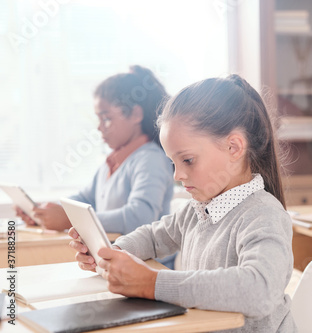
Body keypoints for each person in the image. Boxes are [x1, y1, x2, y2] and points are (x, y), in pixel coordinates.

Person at [69, 74, 297, 332]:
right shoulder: (197, 209)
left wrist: (152, 283)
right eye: (173, 163)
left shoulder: (263, 214)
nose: (177, 175)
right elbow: (154, 237)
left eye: (187, 160)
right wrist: (111, 252)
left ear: (234, 148)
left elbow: (260, 290)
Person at [16, 65, 177, 268]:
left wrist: (68, 220)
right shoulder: (113, 162)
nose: (99, 127)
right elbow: (84, 199)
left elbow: (139, 216)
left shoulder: (151, 159)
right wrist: (45, 213)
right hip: (117, 263)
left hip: (150, 267)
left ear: (136, 114)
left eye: (107, 118)